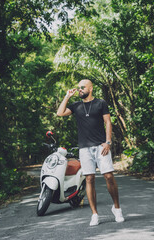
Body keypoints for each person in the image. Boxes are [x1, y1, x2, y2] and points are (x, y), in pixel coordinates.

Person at [57, 79, 124, 226]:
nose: (80, 89)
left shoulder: (101, 103)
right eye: (78, 87)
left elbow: (108, 122)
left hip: (101, 146)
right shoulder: (76, 106)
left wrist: (108, 142)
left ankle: (117, 208)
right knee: (89, 179)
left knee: (109, 176)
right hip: (84, 148)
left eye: (82, 87)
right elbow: (60, 113)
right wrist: (67, 96)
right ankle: (95, 214)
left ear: (90, 88)